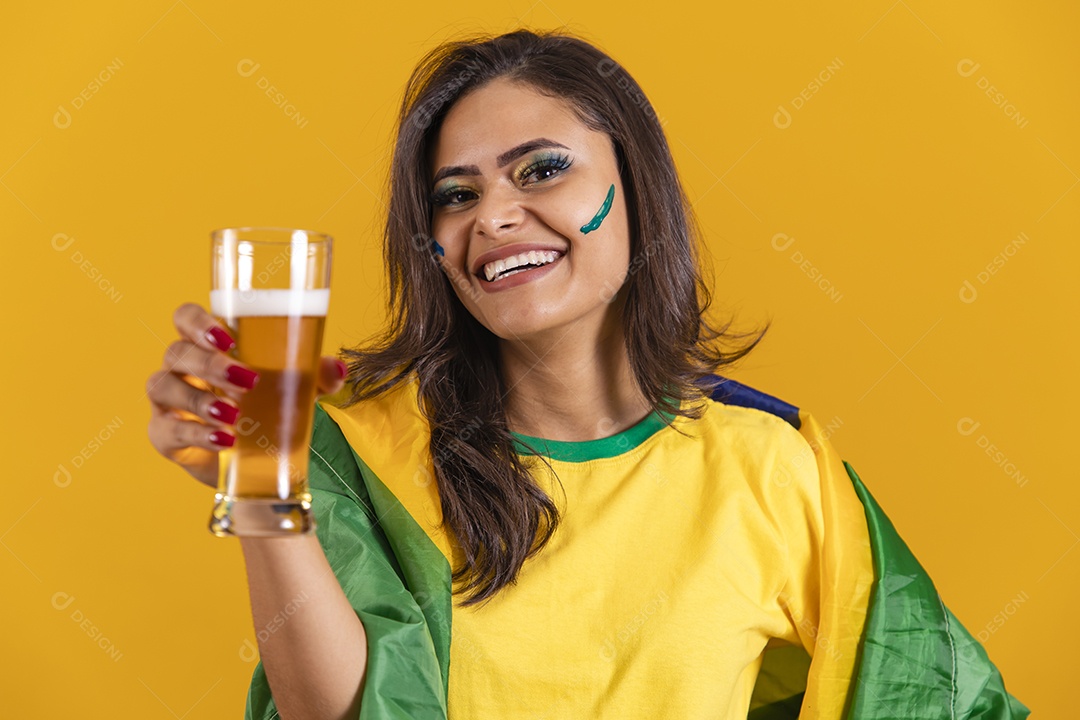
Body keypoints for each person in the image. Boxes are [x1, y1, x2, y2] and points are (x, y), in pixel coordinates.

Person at [146, 29, 1030, 720]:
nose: (493, 215)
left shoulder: (771, 467)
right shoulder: (363, 450)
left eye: (541, 170)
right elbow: (336, 713)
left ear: (636, 187)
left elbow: (933, 694)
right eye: (456, 194)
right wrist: (259, 482)